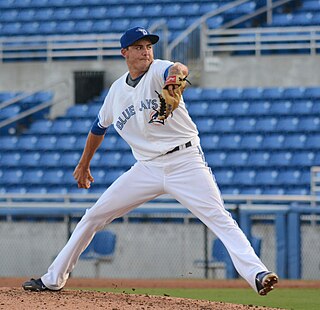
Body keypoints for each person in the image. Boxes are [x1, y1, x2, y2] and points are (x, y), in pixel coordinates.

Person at [22, 26, 278, 296]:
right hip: (146, 168)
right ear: (125, 52)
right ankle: (52, 279)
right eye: (139, 47)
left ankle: (257, 274)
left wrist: (174, 81)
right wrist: (84, 164)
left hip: (185, 161)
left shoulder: (158, 70)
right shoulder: (116, 91)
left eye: (149, 46)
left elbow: (178, 68)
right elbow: (98, 128)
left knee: (219, 217)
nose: (146, 52)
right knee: (93, 216)